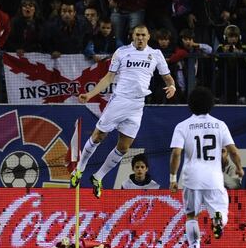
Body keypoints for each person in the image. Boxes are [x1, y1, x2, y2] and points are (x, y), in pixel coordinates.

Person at [71, 25, 176, 198]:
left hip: (137, 106)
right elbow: (109, 77)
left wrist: (171, 86)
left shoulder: (156, 55)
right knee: (98, 136)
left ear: (149, 36)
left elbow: (167, 77)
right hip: (119, 101)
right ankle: (79, 169)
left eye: (143, 35)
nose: (140, 38)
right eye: (137, 35)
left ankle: (98, 177)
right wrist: (90, 94)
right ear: (132, 36)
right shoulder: (121, 52)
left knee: (123, 147)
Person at [169, 86, 243, 248]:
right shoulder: (220, 124)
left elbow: (176, 153)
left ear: (190, 105)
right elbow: (233, 151)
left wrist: (172, 178)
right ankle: (217, 217)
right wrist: (239, 168)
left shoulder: (183, 126)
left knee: (191, 216)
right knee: (222, 212)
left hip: (191, 177)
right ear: (211, 105)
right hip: (214, 177)